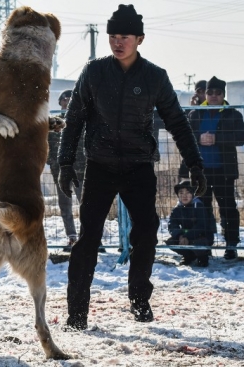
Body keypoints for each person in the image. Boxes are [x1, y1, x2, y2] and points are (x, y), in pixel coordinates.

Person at [58, 4, 206, 330]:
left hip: (138, 167)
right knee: (88, 238)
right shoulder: (95, 72)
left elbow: (178, 123)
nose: (117, 42)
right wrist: (65, 161)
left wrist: (195, 164)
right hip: (100, 165)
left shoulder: (154, 77)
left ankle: (139, 297)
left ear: (139, 38)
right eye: (113, 35)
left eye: (124, 36)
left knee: (147, 232)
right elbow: (75, 120)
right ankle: (77, 311)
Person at [186, 76, 244, 260]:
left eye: (217, 92)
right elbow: (185, 137)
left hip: (224, 170)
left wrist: (216, 139)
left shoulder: (233, 114)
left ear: (223, 94)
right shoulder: (195, 114)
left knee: (228, 208)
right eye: (210, 92)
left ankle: (231, 244)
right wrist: (199, 138)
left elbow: (241, 137)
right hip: (200, 171)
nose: (213, 95)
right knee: (202, 209)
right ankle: (205, 244)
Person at [48, 90, 84, 248]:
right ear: (60, 102)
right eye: (65, 98)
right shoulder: (53, 121)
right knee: (65, 205)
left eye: (71, 98)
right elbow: (47, 145)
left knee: (87, 204)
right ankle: (72, 236)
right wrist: (53, 163)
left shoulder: (81, 118)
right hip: (60, 171)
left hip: (81, 169)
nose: (67, 101)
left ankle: (90, 236)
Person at [166, 180, 214, 267]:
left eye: (188, 192)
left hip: (202, 236)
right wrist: (179, 236)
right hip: (185, 236)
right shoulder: (177, 209)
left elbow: (201, 225)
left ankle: (203, 257)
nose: (184, 195)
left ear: (193, 194)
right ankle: (188, 256)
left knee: (198, 244)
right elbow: (172, 224)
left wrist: (187, 237)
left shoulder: (199, 206)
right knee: (170, 242)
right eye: (181, 193)